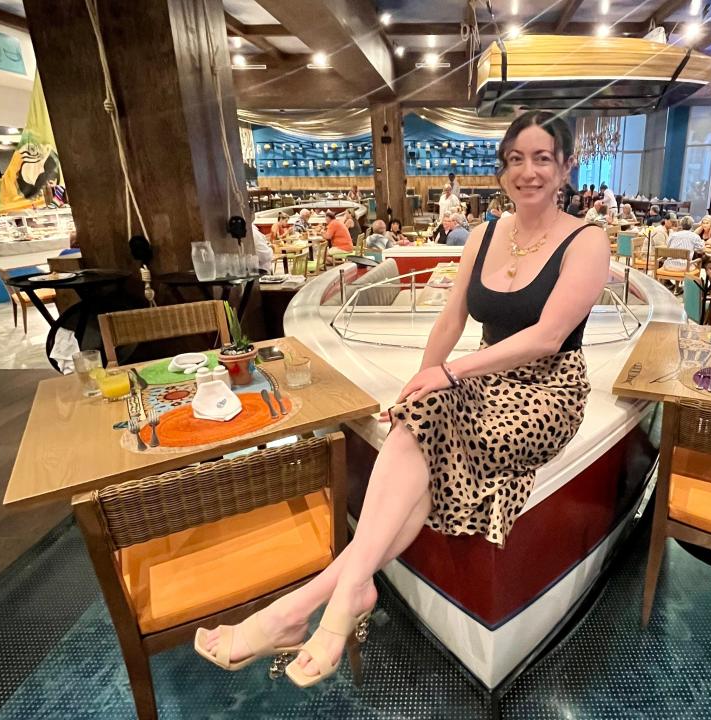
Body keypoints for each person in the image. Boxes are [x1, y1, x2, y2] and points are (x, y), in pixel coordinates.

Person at [194, 110, 608, 688]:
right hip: (484, 381)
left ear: (566, 167)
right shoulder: (487, 233)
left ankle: (304, 606)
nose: (529, 171)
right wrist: (422, 380)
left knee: (432, 423)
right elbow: (450, 316)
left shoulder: (587, 240)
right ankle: (342, 595)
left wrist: (449, 374)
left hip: (547, 391)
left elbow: (543, 338)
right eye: (516, 159)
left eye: (543, 158)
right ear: (502, 170)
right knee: (416, 422)